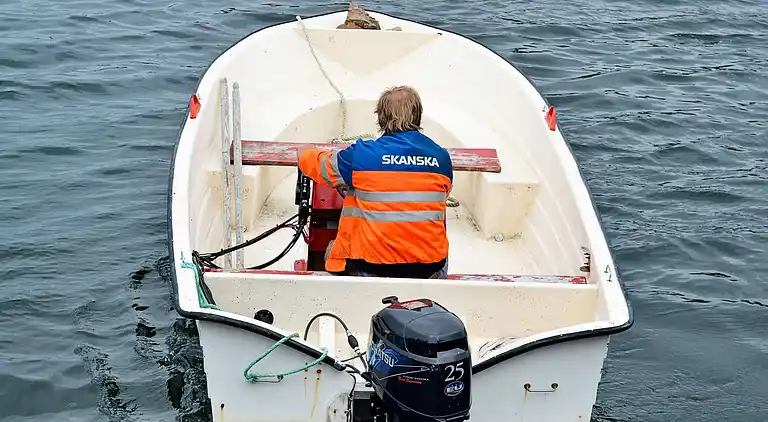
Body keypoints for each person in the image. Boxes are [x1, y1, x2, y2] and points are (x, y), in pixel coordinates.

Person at [297, 85, 452, 279]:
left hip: (371, 267)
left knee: (331, 252)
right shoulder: (442, 158)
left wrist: (304, 153)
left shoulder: (362, 154)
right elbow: (443, 195)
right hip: (428, 268)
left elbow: (321, 167)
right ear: (418, 115)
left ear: (381, 118)